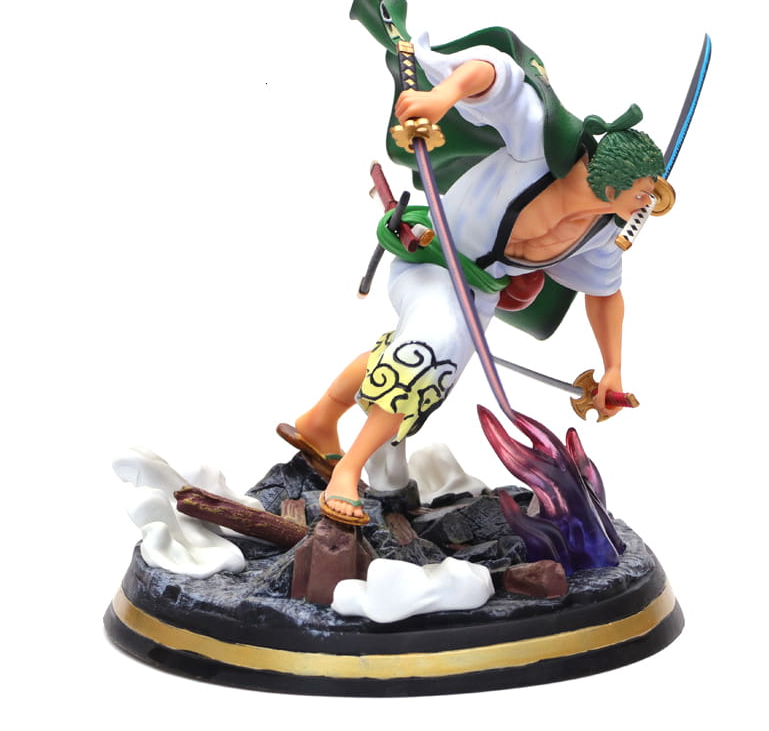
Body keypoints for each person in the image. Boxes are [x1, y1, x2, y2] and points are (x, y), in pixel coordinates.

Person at [281, 36, 667, 525]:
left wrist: (612, 368)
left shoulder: (601, 231)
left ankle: (319, 422)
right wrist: (441, 98)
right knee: (429, 354)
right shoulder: (540, 147)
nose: (649, 205)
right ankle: (348, 472)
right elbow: (497, 71)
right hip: (433, 256)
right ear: (612, 185)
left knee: (415, 360)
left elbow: (605, 294)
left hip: (479, 292)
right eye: (644, 193)